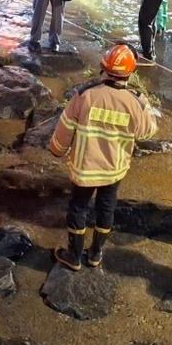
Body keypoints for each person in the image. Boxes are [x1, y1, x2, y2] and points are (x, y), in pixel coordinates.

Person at [48, 44, 159, 271]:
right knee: (106, 208)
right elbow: (147, 132)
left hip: (85, 168)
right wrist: (144, 107)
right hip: (114, 169)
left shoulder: (85, 95)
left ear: (103, 68)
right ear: (131, 73)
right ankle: (96, 254)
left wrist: (57, 150)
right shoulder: (135, 101)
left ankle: (74, 256)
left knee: (78, 208)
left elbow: (65, 128)